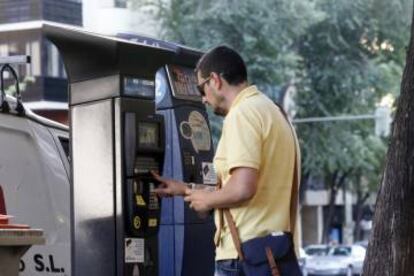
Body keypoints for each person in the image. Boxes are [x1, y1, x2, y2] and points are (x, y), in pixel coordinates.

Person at [152, 45, 300, 275]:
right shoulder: (273, 111)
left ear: (215, 80)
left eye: (202, 88)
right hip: (276, 253)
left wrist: (207, 201)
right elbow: (249, 186)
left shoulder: (242, 114)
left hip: (243, 256)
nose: (203, 99)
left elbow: (242, 189)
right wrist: (186, 189)